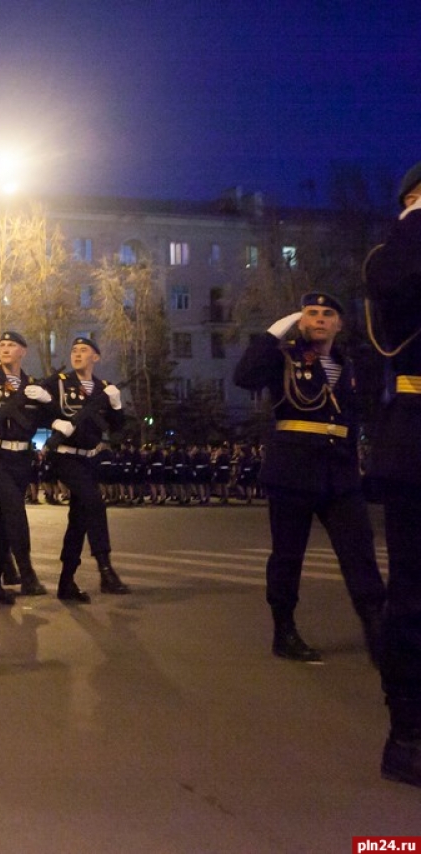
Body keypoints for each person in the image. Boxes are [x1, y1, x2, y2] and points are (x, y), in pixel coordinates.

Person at [232, 292, 385, 664]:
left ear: (338, 324)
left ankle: (378, 632)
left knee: (360, 554)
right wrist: (272, 334)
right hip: (293, 471)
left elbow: (372, 410)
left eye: (327, 313)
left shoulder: (351, 365)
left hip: (341, 474)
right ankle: (284, 631)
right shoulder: (284, 358)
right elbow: (243, 377)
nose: (318, 318)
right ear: (301, 320)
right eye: (311, 313)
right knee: (288, 556)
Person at [362, 159, 421, 787]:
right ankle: (408, 732)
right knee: (415, 596)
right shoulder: (393, 255)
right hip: (418, 434)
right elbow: (401, 281)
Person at [41, 337, 130, 602]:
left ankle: (66, 583)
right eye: (74, 350)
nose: (77, 354)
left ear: (96, 357)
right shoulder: (57, 383)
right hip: (66, 457)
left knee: (79, 521)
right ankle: (105, 569)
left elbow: (117, 429)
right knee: (94, 502)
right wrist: (56, 422)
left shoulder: (104, 388)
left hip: (90, 459)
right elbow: (37, 409)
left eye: (84, 351)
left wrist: (116, 406)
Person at [0, 331, 51, 603]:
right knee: (14, 511)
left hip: (20, 460)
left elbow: (47, 418)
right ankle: (27, 573)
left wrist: (47, 403)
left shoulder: (32, 385)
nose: (4, 348)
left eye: (11, 345)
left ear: (23, 352)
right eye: (1, 344)